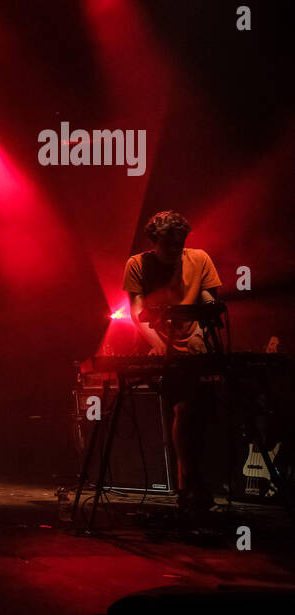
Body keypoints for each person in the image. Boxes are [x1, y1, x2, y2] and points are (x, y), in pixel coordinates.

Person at [123, 210, 221, 522]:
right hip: (159, 348)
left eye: (180, 245)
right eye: (168, 245)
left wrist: (206, 324)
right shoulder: (138, 265)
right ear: (155, 243)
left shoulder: (200, 259)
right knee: (185, 410)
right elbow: (136, 312)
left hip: (196, 347)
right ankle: (191, 489)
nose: (175, 251)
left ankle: (192, 490)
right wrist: (160, 345)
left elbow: (208, 300)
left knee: (197, 416)